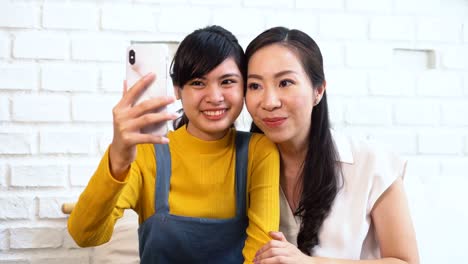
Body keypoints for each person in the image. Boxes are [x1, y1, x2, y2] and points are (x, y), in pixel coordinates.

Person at [68, 25, 280, 264]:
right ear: (178, 89)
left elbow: (261, 254)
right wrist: (117, 157)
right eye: (198, 83)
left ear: (243, 87)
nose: (214, 96)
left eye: (227, 81)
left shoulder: (259, 151)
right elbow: (85, 235)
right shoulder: (145, 152)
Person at [244, 27, 419, 264]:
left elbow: (406, 261)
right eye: (255, 86)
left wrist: (310, 262)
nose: (269, 101)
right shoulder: (240, 163)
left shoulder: (371, 162)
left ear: (318, 90)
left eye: (285, 82)